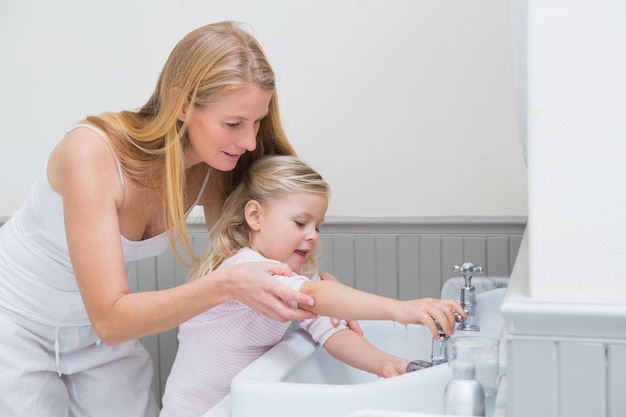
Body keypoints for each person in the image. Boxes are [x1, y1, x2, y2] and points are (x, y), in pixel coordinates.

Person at [0, 21, 351, 417]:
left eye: (257, 122)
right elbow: (111, 320)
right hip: (17, 321)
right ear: (182, 104)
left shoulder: (216, 167)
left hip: (99, 331)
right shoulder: (90, 154)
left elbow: (255, 261)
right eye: (233, 123)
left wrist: (319, 291)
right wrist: (227, 285)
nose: (250, 141)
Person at [160, 155, 465, 416]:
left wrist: (388, 364)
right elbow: (314, 297)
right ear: (255, 216)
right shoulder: (244, 269)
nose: (313, 235)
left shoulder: (294, 278)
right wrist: (398, 309)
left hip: (237, 405)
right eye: (300, 223)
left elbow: (331, 330)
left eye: (318, 226)